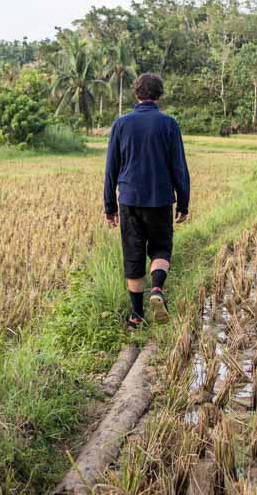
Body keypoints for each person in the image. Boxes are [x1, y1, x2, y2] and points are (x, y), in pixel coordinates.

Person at [103, 73, 191, 330]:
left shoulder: (121, 124)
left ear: (136, 94)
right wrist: (183, 203)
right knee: (161, 249)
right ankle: (156, 288)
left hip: (129, 200)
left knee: (133, 256)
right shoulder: (169, 124)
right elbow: (179, 167)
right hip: (161, 200)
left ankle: (136, 317)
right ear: (159, 95)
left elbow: (111, 169)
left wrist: (110, 206)